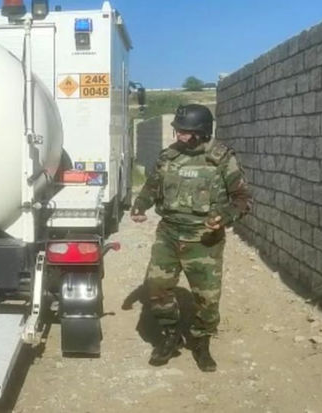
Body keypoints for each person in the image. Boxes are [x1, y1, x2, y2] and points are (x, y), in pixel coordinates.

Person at [131, 104, 251, 372]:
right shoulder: (169, 156)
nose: (179, 135)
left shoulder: (221, 158)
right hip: (169, 234)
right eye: (178, 130)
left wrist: (225, 217)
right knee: (157, 286)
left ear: (201, 132)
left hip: (204, 240)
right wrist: (140, 205)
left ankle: (201, 342)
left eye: (185, 131)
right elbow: (152, 186)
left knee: (207, 298)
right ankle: (170, 335)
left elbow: (243, 199)